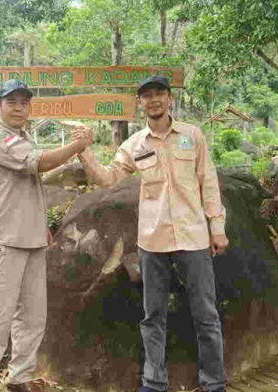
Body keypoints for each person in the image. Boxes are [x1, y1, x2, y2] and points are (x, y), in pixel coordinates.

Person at [72, 75, 229, 392]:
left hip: (193, 237)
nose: (154, 100)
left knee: (206, 314)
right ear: (139, 103)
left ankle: (214, 383)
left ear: (169, 99)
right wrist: (83, 150)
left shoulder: (192, 136)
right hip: (152, 241)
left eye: (159, 94)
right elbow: (108, 178)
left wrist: (217, 228)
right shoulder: (134, 145)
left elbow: (208, 183)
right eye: (147, 96)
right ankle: (154, 382)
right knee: (152, 316)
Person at [0, 79, 92, 392]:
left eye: (24, 102)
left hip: (31, 239)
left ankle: (19, 378)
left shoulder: (23, 137)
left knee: (33, 316)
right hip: (3, 240)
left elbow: (30, 181)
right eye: (11, 102)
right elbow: (40, 163)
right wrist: (78, 146)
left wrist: (41, 229)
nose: (18, 107)